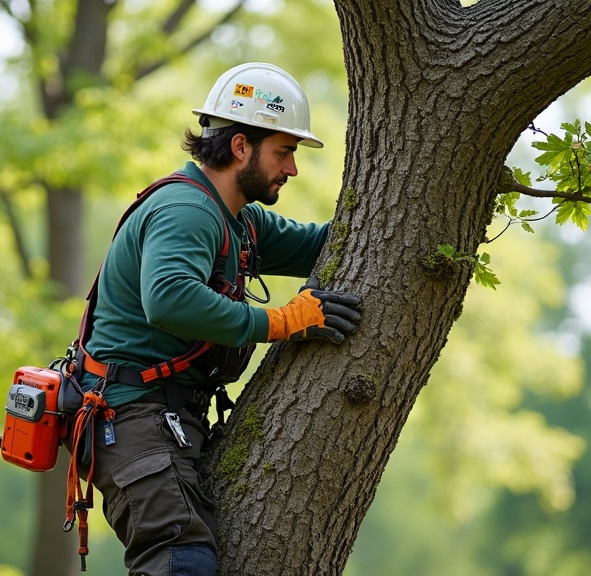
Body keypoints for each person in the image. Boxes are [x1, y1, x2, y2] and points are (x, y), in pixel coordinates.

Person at [79, 62, 362, 576]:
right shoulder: (186, 210)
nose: (292, 169)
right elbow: (168, 298)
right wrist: (279, 322)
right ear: (239, 147)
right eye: (284, 152)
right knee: (180, 560)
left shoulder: (239, 219)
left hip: (169, 418)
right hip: (133, 416)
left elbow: (326, 245)